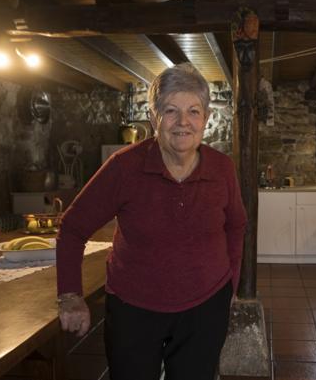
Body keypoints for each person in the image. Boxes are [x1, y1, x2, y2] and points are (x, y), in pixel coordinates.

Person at [55, 63, 247, 380]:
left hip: (205, 306)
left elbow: (236, 226)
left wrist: (231, 286)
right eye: (170, 111)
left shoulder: (222, 168)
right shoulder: (123, 167)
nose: (183, 122)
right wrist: (70, 296)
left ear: (207, 119)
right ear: (153, 118)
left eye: (194, 111)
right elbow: (73, 229)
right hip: (134, 307)